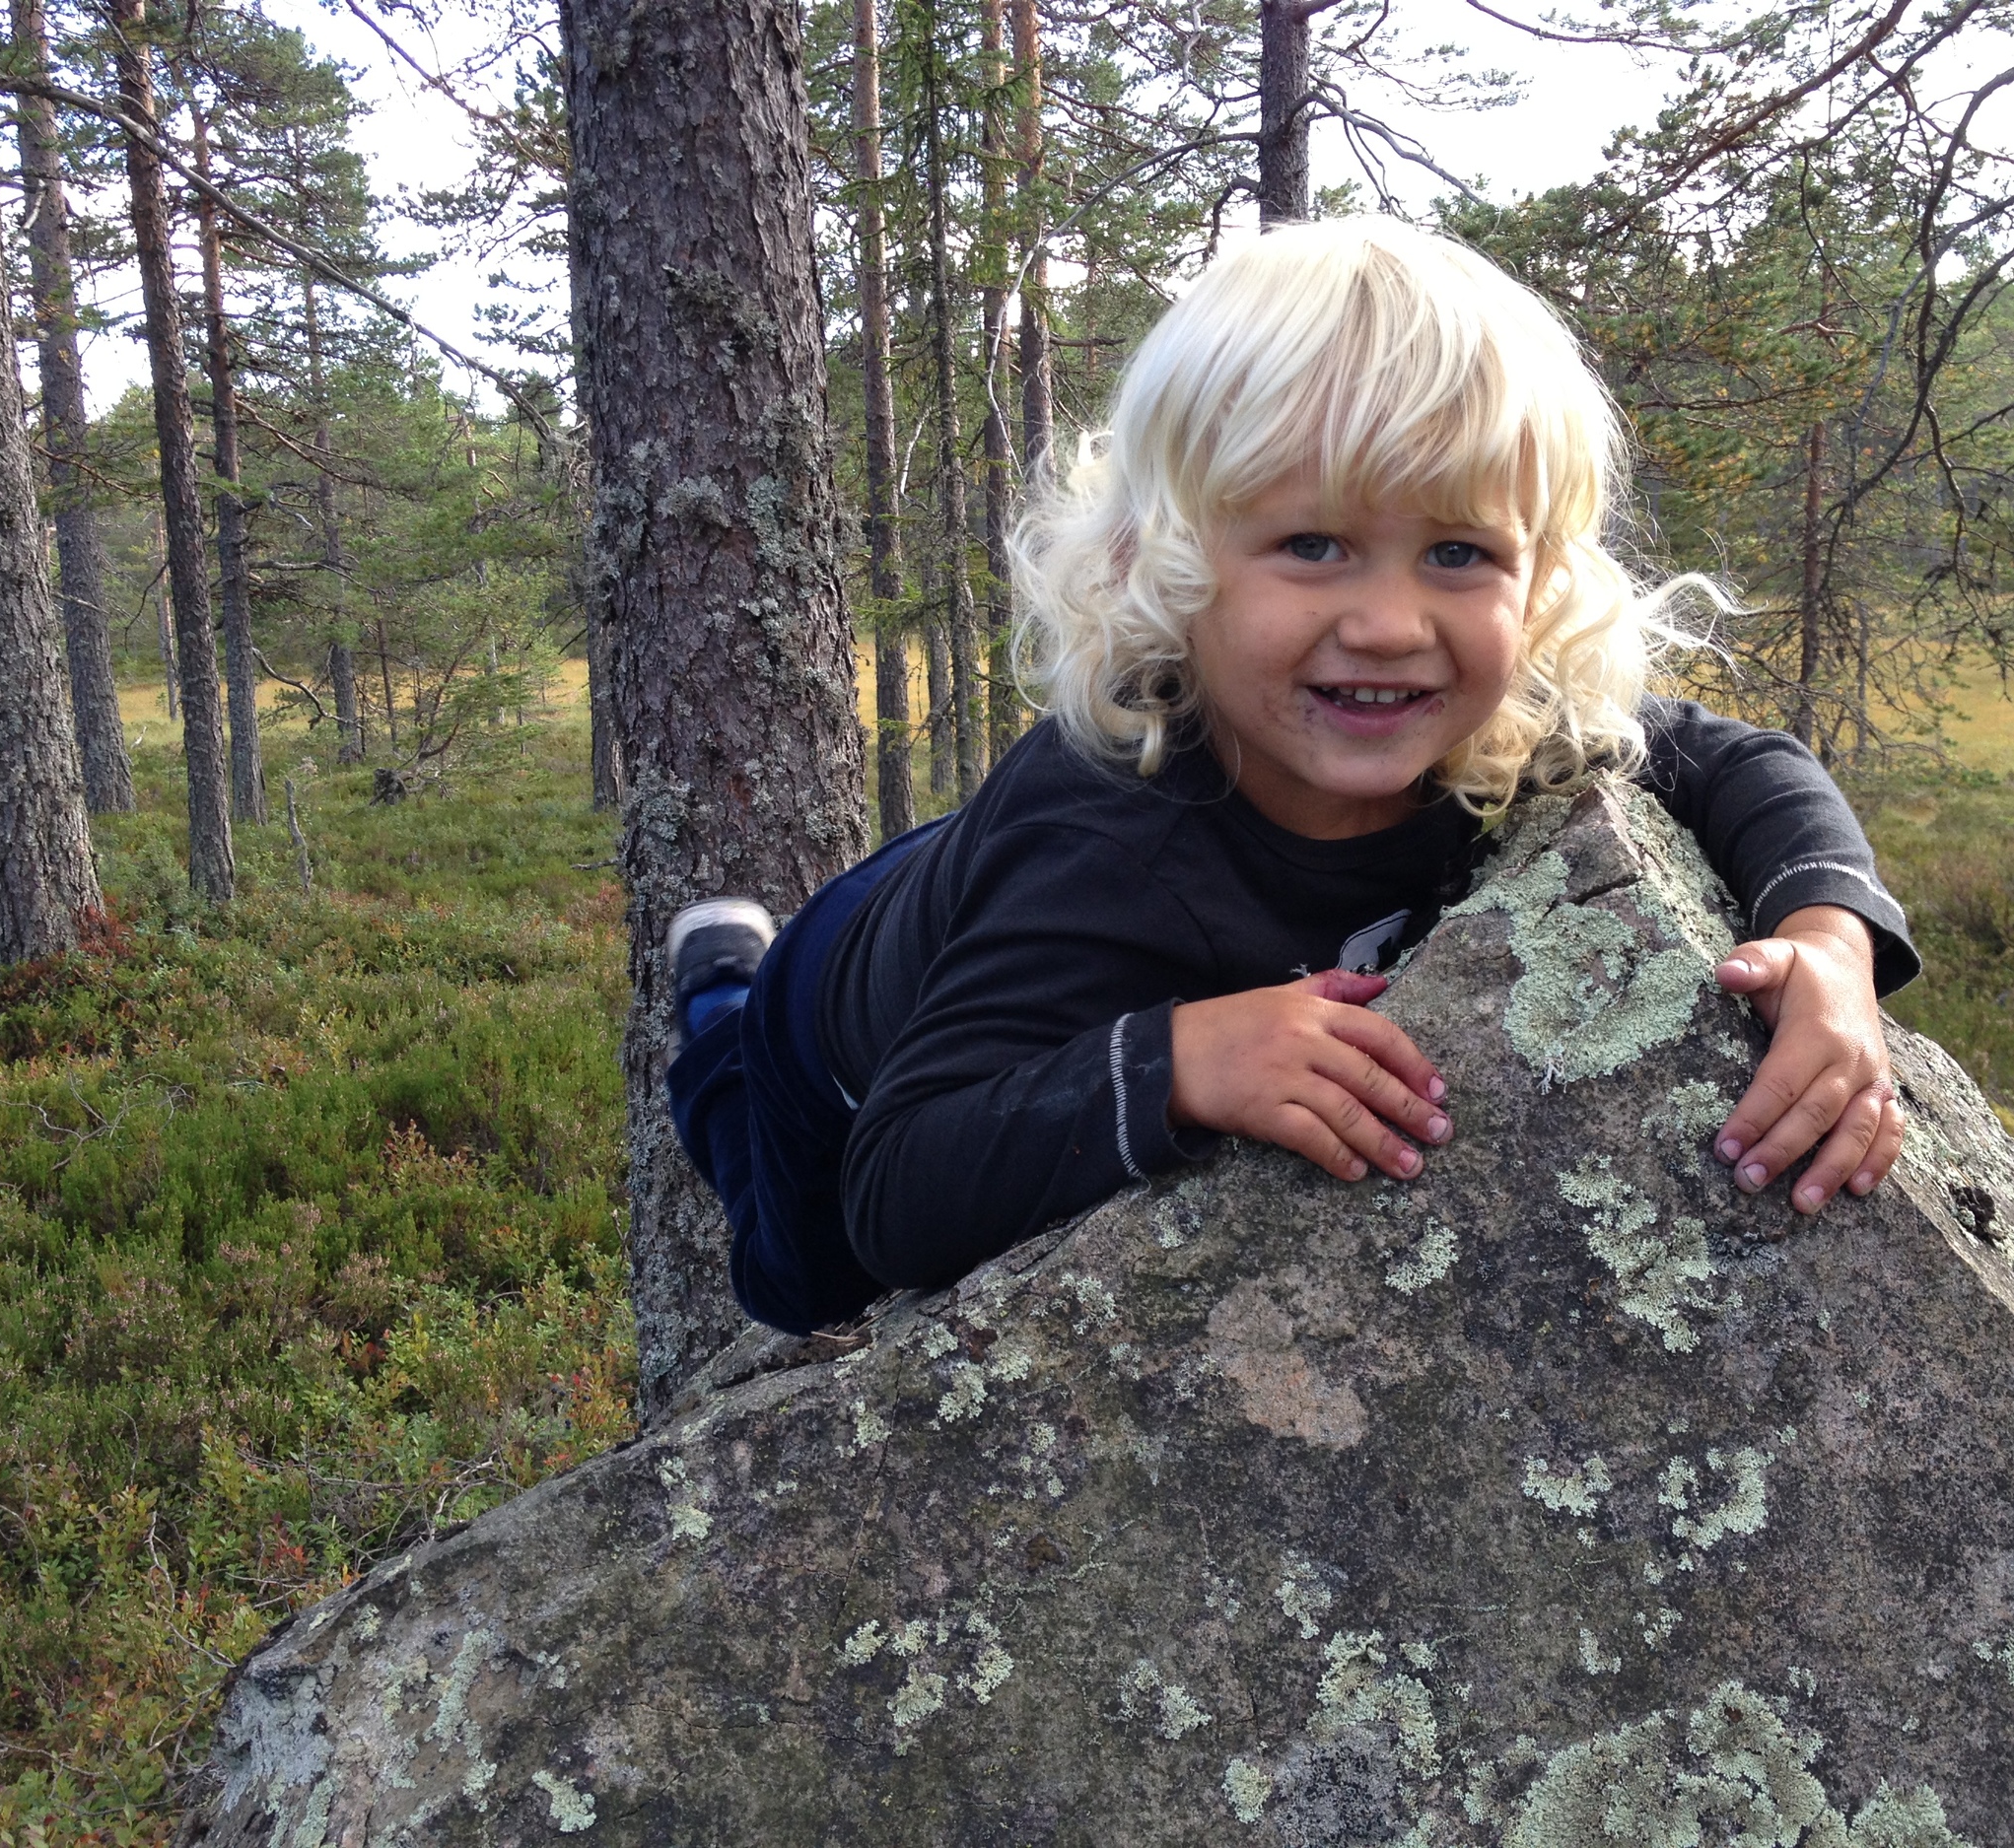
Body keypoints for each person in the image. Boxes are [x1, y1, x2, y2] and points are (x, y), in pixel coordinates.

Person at [670, 217, 1917, 1338]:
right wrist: (1176, 1063)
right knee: (805, 1284)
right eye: (1312, 544)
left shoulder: (1494, 722)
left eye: (1456, 551)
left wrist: (1828, 945)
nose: (1387, 622)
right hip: (831, 1011)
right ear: (1160, 561)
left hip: (979, 879)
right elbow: (897, 1188)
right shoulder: (1103, 856)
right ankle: (717, 1005)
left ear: (1538, 582)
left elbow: (1745, 763)